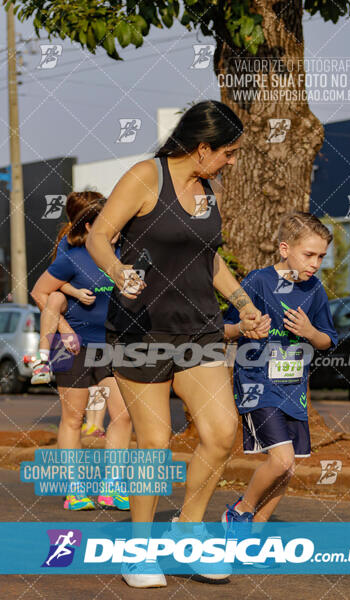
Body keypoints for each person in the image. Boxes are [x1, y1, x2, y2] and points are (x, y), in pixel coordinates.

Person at [86, 99, 269, 588]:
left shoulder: (209, 191)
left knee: (220, 430)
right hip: (139, 331)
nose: (231, 162)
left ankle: (188, 529)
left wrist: (243, 303)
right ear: (203, 147)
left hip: (199, 327)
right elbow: (100, 236)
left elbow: (210, 258)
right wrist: (118, 272)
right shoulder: (146, 176)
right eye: (228, 153)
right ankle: (139, 551)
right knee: (154, 440)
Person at [222, 211, 338, 524]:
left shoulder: (315, 290)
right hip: (257, 385)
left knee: (289, 465)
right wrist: (245, 327)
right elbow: (226, 327)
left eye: (321, 257)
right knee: (282, 458)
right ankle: (240, 511)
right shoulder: (258, 281)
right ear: (285, 249)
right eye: (309, 255)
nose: (315, 263)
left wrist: (311, 332)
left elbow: (328, 339)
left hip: (293, 390)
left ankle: (254, 534)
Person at [31, 200, 132, 511]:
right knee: (73, 418)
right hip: (71, 346)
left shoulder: (122, 257)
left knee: (124, 415)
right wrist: (63, 327)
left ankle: (111, 488)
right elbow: (39, 292)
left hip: (110, 345)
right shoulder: (72, 258)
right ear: (89, 227)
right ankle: (75, 490)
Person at [31, 191, 104, 385]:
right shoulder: (69, 242)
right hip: (68, 302)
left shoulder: (111, 242)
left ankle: (94, 417)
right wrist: (75, 293)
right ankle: (42, 358)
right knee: (54, 298)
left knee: (99, 396)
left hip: (102, 335)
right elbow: (55, 281)